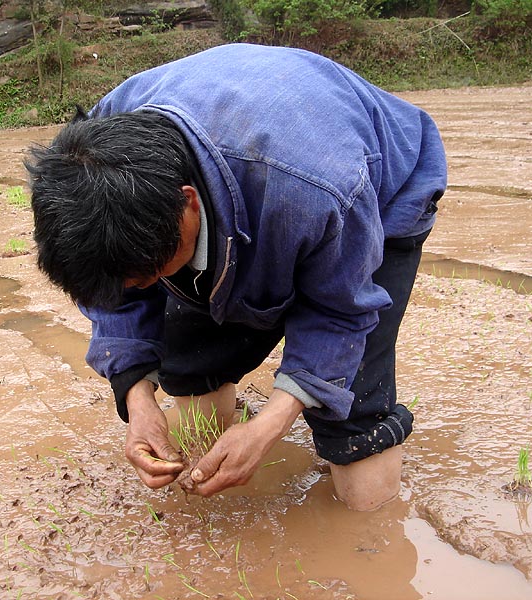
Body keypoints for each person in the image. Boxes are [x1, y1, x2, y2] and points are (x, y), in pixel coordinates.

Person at [26, 43, 447, 510]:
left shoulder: (317, 188)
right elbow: (117, 291)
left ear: (186, 206)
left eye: (148, 275)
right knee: (191, 356)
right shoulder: (92, 152)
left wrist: (269, 425)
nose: (142, 289)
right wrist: (137, 399)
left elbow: (339, 313)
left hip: (375, 193)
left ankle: (371, 533)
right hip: (249, 168)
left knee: (351, 403)